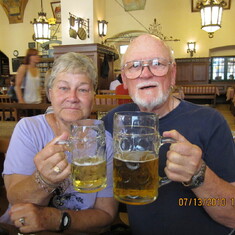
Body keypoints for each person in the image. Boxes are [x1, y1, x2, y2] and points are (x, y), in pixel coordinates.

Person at [103, 34, 235, 235]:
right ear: (125, 79)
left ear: (172, 74)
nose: (145, 74)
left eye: (157, 64)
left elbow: (232, 215)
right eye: (134, 66)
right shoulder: (114, 121)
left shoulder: (210, 121)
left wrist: (199, 175)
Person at [0, 52, 118, 234]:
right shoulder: (29, 129)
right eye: (63, 88)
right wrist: (44, 180)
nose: (72, 97)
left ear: (92, 97)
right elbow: (16, 200)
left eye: (83, 89)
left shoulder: (103, 139)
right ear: (50, 94)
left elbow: (106, 214)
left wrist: (56, 220)